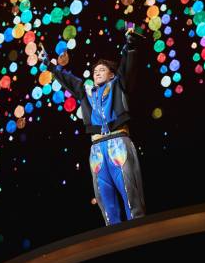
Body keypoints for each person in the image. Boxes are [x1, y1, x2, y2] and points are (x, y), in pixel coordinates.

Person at [47, 26, 147, 225]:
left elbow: (127, 65)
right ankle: (114, 235)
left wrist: (130, 44)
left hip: (118, 142)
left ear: (111, 74)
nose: (97, 73)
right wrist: (50, 66)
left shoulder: (118, 84)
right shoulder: (86, 92)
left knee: (130, 192)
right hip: (97, 149)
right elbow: (69, 80)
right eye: (95, 71)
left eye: (102, 70)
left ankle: (139, 231)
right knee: (104, 198)